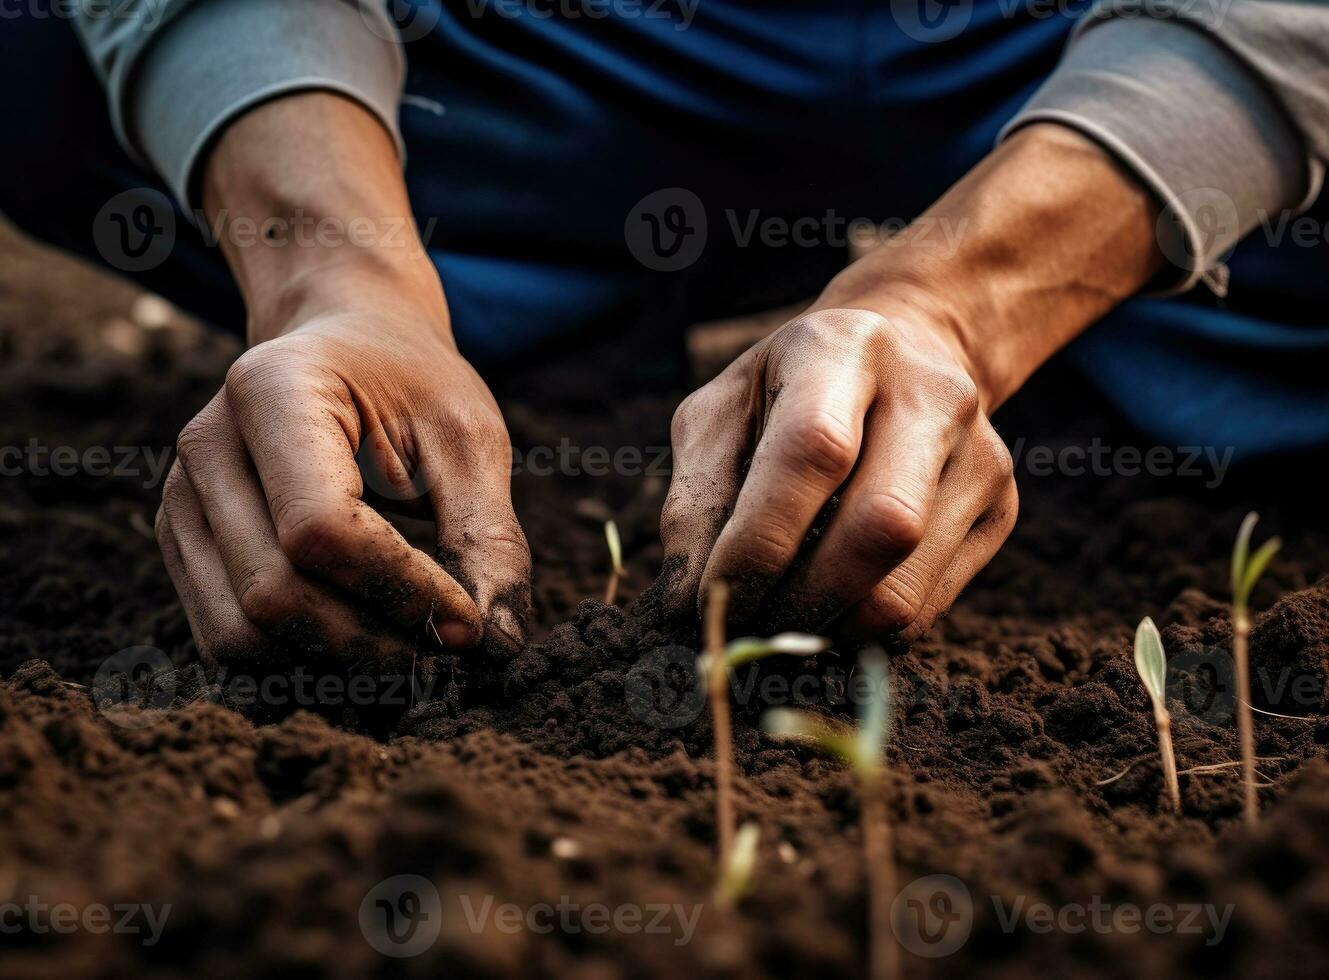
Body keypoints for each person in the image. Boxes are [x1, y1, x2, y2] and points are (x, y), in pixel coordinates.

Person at [2, 1, 1327, 664]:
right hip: (540, 56)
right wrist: (334, 284)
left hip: (1101, 50)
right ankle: (469, 318)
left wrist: (959, 301)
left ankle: (1075, 314)